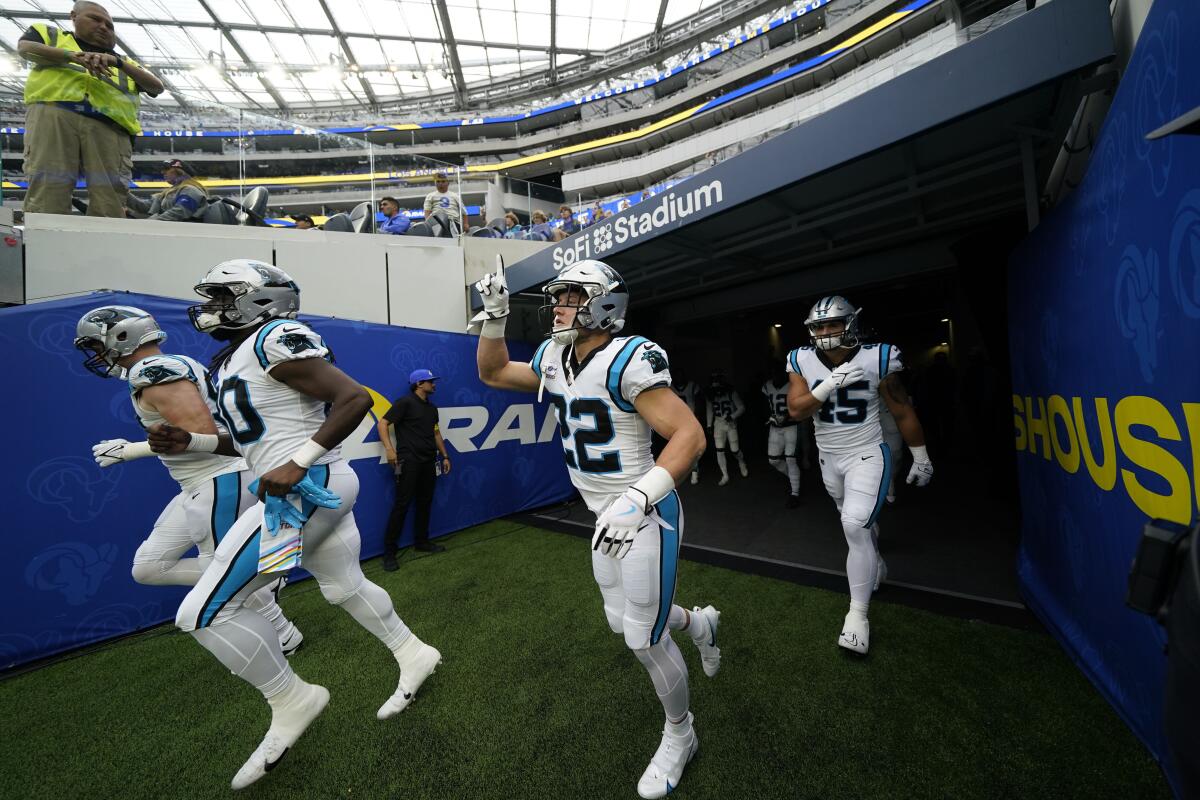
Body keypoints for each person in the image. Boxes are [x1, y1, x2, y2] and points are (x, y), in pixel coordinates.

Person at [149, 260, 441, 789]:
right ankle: (414, 652)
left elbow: (353, 398)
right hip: (308, 485)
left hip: (307, 490)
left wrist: (299, 461)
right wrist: (190, 442)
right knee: (343, 586)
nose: (211, 306)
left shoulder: (274, 336)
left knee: (205, 612)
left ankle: (292, 699)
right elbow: (251, 442)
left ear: (259, 299)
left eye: (222, 295)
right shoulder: (236, 358)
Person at [473, 256, 721, 799]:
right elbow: (493, 373)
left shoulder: (629, 357)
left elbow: (689, 436)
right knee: (622, 620)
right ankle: (699, 624)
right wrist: (494, 317)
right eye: (558, 296)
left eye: (569, 297)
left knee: (642, 636)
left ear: (603, 305)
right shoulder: (555, 356)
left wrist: (637, 498)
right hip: (601, 513)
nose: (558, 306)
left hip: (644, 509)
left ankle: (682, 734)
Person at [73, 304, 301, 654]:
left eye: (97, 344)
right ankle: (256, 577)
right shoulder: (165, 366)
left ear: (120, 337)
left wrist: (131, 450)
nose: (97, 354)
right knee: (149, 567)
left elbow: (199, 435)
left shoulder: (151, 370)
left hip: (217, 478)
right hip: (199, 484)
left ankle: (281, 629)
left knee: (220, 571)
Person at [785, 295, 933, 655]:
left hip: (867, 452)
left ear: (850, 324)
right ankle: (875, 561)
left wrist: (921, 455)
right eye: (818, 326)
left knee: (853, 525)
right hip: (828, 458)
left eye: (832, 324)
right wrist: (828, 384)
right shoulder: (800, 359)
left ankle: (857, 616)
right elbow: (795, 410)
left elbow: (901, 410)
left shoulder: (877, 357)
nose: (824, 332)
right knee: (856, 525)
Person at [17, 1, 163, 217]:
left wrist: (118, 63)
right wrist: (71, 55)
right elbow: (25, 48)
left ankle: (106, 248)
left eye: (110, 25)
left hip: (110, 127)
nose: (104, 27)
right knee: (48, 192)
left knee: (110, 200)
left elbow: (156, 86)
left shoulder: (124, 61)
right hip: (54, 114)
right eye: (95, 19)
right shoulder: (51, 35)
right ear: (73, 17)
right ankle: (45, 246)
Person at [378, 368, 452, 569]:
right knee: (402, 505)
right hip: (408, 462)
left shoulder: (432, 408)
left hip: (429, 461)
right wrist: (389, 449)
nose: (434, 384)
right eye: (430, 381)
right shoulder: (405, 403)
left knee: (425, 502)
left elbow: (436, 434)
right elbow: (383, 424)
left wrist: (445, 456)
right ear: (419, 384)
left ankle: (421, 542)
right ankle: (389, 553)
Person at [763, 363, 801, 508]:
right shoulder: (767, 386)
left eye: (778, 372)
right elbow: (765, 405)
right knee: (773, 460)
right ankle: (793, 477)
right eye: (772, 373)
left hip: (791, 426)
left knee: (790, 459)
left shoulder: (792, 385)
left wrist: (788, 416)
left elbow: (799, 406)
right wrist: (770, 416)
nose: (775, 376)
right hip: (775, 428)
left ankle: (795, 493)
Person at [125, 159, 210, 222]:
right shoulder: (166, 193)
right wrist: (124, 192)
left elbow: (178, 213)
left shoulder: (190, 190)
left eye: (167, 169)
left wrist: (149, 222)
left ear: (180, 172)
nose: (163, 172)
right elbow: (143, 206)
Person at [705, 372, 748, 486]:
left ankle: (741, 461)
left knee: (735, 449)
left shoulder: (731, 392)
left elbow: (742, 407)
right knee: (719, 450)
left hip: (730, 423)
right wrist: (709, 424)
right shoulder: (710, 394)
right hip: (718, 422)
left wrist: (732, 416)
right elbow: (709, 409)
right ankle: (725, 475)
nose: (716, 386)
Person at [670, 372, 702, 485]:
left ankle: (694, 471)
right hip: (677, 421)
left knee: (692, 447)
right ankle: (680, 471)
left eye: (681, 375)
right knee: (677, 448)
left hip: (690, 420)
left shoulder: (692, 386)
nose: (679, 377)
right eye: (677, 375)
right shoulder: (671, 387)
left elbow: (698, 401)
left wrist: (696, 416)